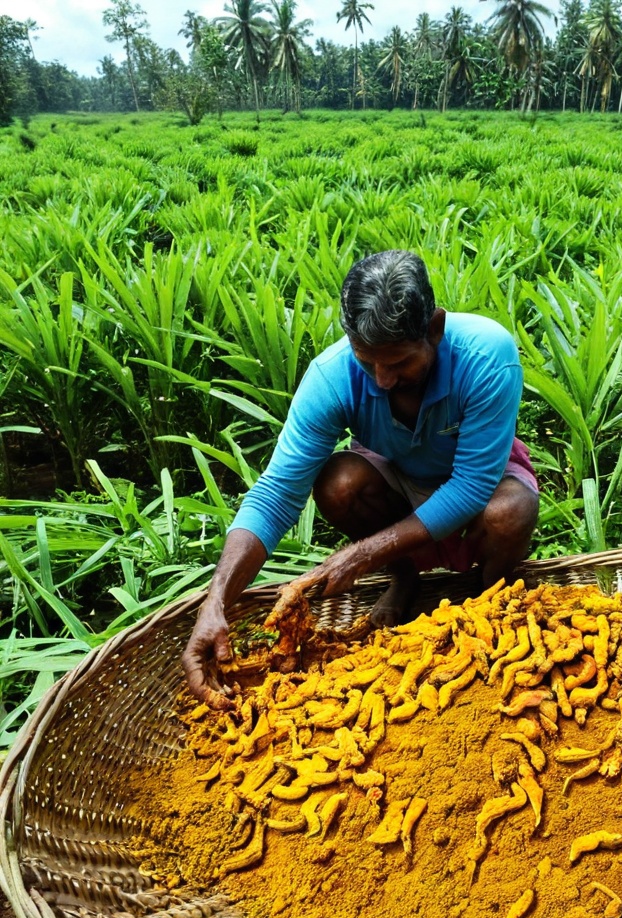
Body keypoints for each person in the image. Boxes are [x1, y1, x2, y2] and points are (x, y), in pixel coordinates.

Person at [182, 249, 539, 709]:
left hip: (480, 478)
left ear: (434, 328)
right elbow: (275, 495)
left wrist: (362, 554)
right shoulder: (331, 377)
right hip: (398, 474)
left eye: (400, 363)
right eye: (368, 361)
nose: (384, 379)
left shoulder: (486, 354)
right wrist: (216, 604)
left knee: (511, 513)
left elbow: (471, 485)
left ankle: (487, 597)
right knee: (339, 483)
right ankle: (404, 578)